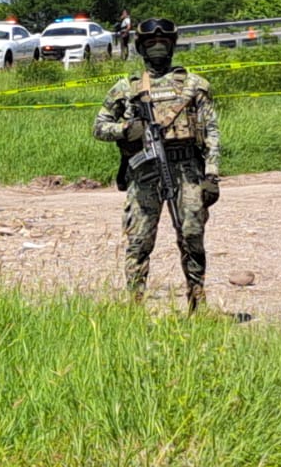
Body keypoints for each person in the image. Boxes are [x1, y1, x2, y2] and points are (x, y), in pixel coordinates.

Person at [91, 18, 222, 314]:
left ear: (173, 46)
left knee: (191, 235)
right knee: (139, 239)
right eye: (151, 44)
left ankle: (197, 301)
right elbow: (99, 127)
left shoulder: (194, 85)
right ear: (141, 48)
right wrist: (126, 130)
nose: (158, 48)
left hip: (187, 170)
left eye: (163, 43)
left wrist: (212, 175)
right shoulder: (127, 87)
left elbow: (212, 132)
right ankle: (134, 306)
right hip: (145, 173)